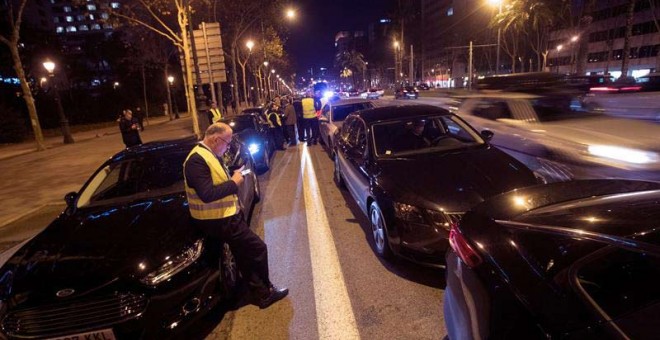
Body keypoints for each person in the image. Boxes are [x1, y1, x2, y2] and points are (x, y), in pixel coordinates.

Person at [183, 122, 288, 309]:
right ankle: (266, 290)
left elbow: (214, 180)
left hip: (226, 217)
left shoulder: (209, 153)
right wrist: (234, 182)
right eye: (227, 142)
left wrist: (232, 174)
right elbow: (207, 194)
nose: (229, 146)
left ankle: (261, 292)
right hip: (220, 221)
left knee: (243, 255)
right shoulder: (196, 160)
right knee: (258, 249)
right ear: (216, 139)